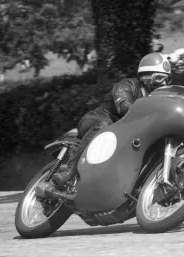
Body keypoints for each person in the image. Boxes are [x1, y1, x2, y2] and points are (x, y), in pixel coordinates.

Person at [52, 52, 172, 186]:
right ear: (146, 77)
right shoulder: (127, 85)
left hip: (118, 136)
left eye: (168, 79)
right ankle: (70, 171)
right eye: (160, 78)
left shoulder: (154, 101)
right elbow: (123, 106)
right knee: (104, 125)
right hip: (96, 121)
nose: (164, 83)